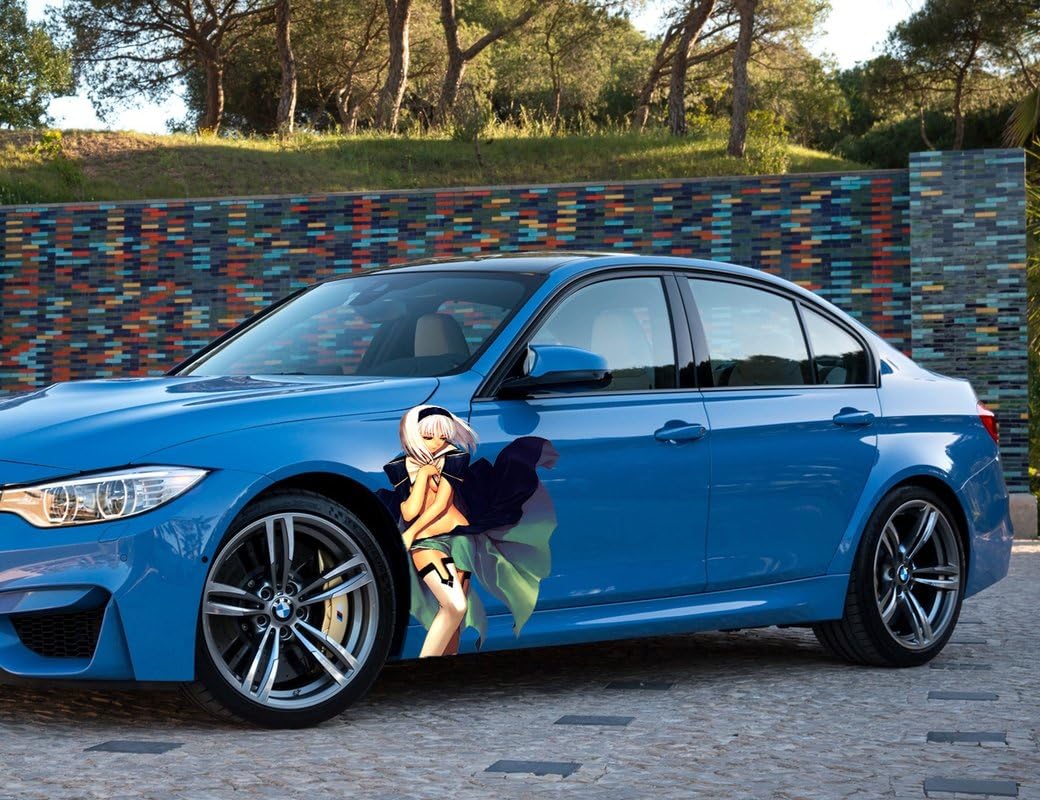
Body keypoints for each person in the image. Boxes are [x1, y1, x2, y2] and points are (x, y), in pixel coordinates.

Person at [378, 405, 558, 657]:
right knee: (455, 605)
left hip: (459, 538)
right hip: (426, 543)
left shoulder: (453, 457)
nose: (436, 443)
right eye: (428, 437)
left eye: (443, 437)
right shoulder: (399, 465)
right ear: (413, 436)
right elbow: (409, 511)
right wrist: (423, 476)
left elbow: (441, 505)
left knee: (455, 615)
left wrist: (410, 533)